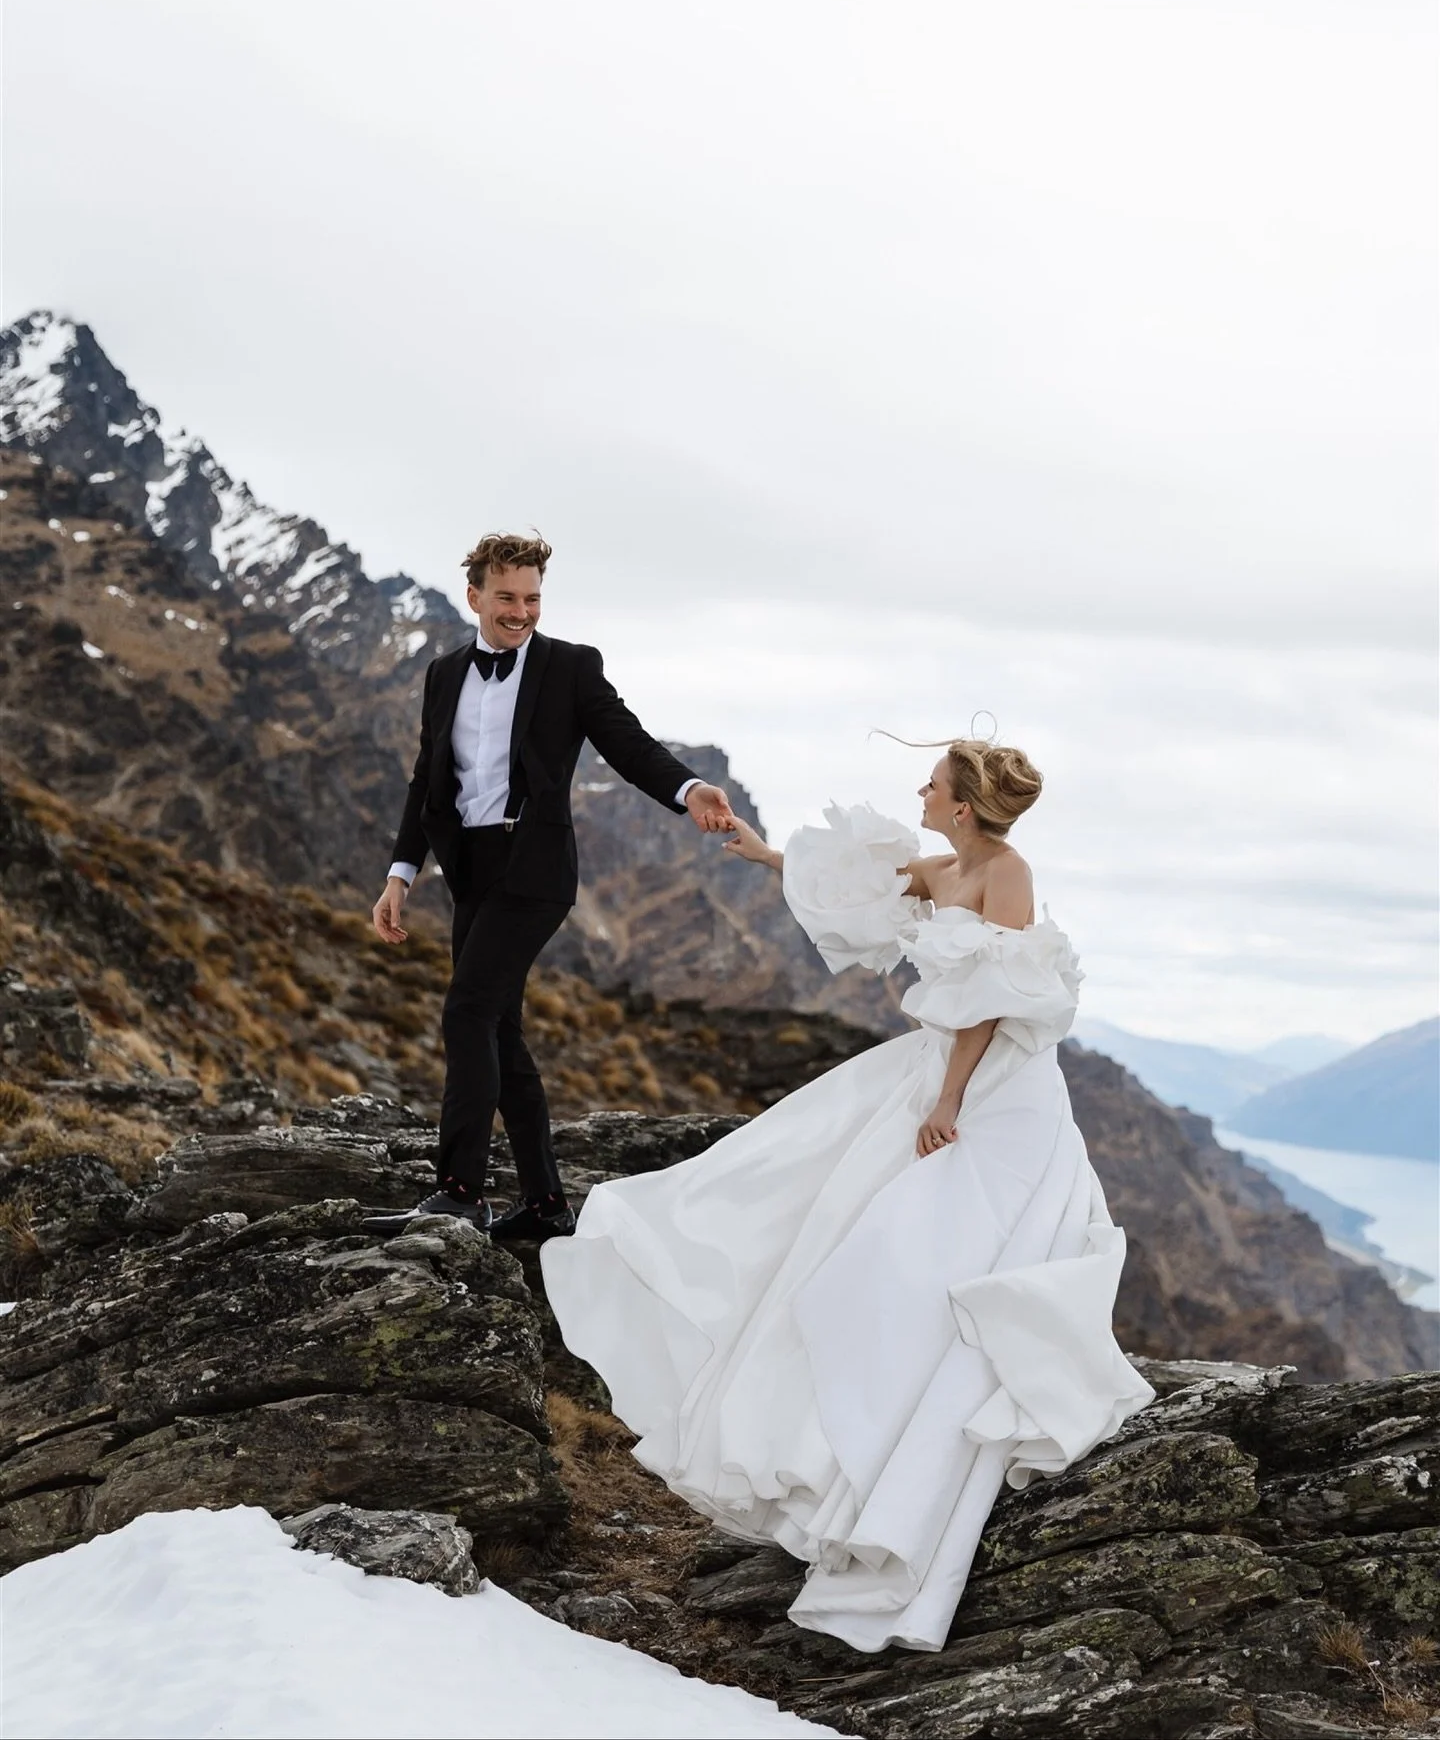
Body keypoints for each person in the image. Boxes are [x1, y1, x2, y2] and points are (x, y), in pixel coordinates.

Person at [540, 738, 1154, 1651]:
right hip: (940, 1071)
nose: (920, 791)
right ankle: (852, 1445)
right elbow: (866, 893)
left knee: (934, 1252)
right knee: (823, 1198)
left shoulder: (1007, 873)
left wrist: (949, 1100)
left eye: (932, 784)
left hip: (997, 1091)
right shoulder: (944, 868)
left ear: (962, 803)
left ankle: (904, 1457)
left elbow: (990, 997)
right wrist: (763, 852)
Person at [364, 531, 733, 1241]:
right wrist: (400, 873)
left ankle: (459, 1193)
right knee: (498, 1029)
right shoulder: (444, 674)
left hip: (534, 869)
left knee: (467, 1011)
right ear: (474, 596)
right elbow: (426, 780)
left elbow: (626, 742)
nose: (521, 611)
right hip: (470, 870)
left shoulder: (570, 666)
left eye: (532, 598)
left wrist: (687, 789)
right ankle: (543, 1205)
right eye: (506, 597)